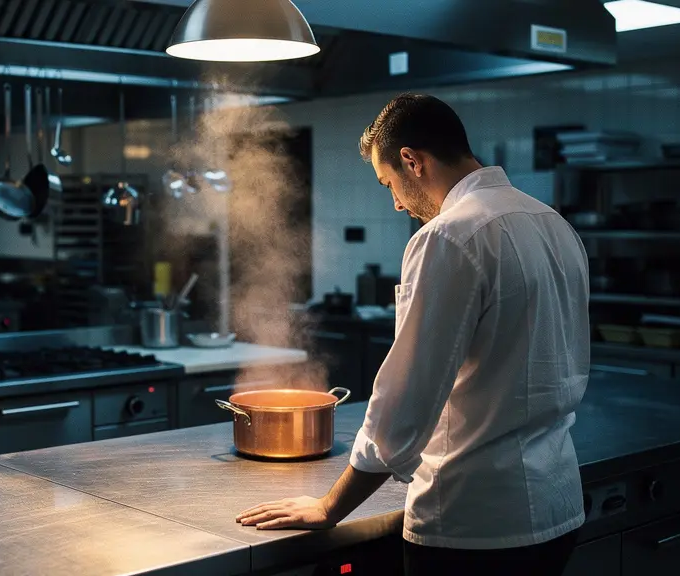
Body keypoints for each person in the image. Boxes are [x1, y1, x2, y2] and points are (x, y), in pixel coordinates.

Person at [236, 93, 590, 576]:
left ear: (412, 160)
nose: (398, 202)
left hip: (473, 525)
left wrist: (330, 507)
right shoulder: (555, 226)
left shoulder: (448, 236)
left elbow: (404, 402)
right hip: (558, 509)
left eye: (389, 183)